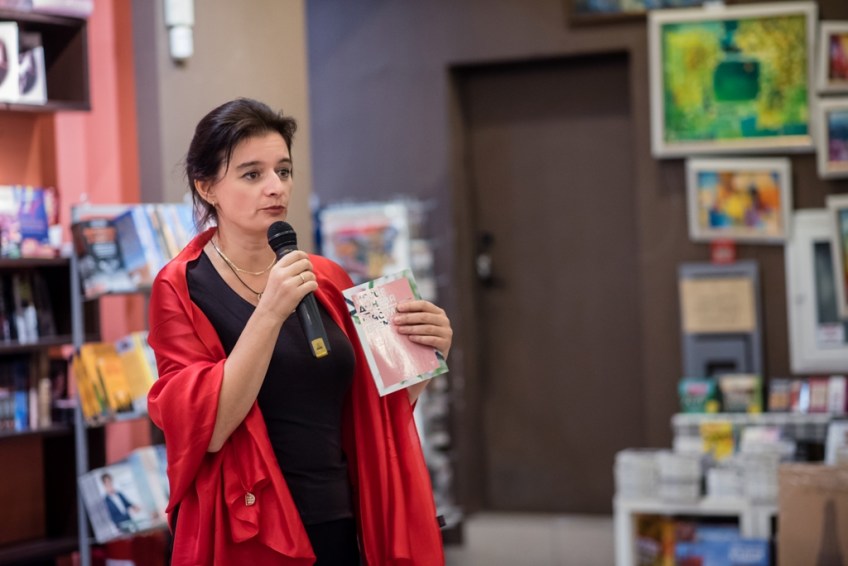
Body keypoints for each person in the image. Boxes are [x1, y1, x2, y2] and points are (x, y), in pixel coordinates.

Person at [147, 97, 453, 565]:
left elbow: (376, 412)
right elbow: (206, 429)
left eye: (283, 171)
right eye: (252, 174)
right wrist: (269, 312)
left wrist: (427, 353)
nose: (276, 187)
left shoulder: (327, 276)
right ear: (207, 187)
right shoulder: (180, 286)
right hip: (252, 530)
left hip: (339, 518)